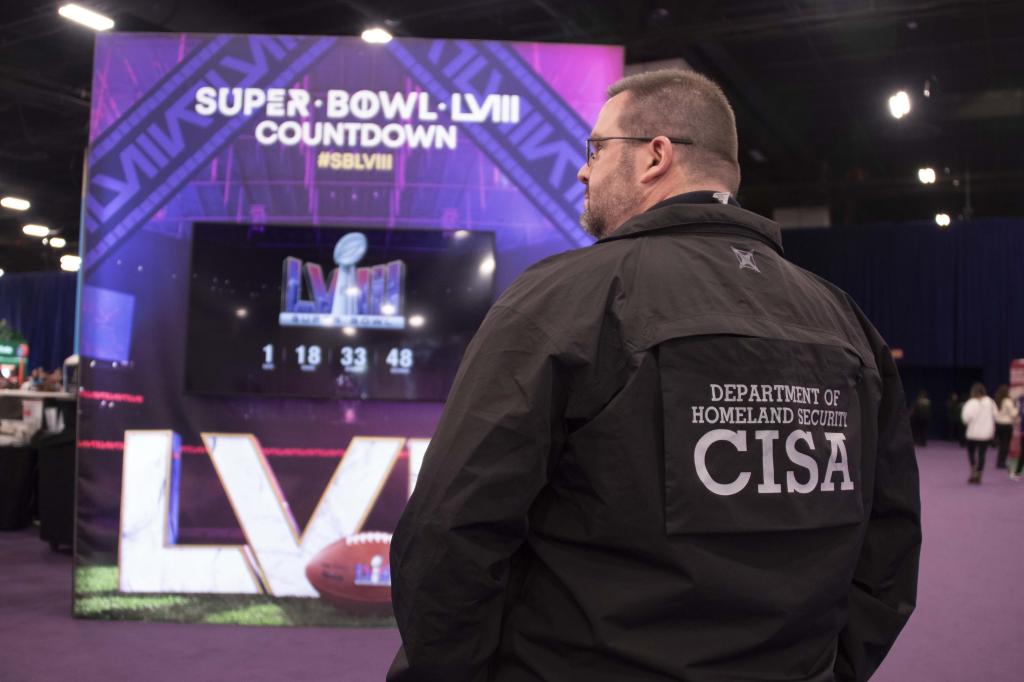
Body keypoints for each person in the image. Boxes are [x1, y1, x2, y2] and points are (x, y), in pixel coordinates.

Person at [388, 69, 921, 682]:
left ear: (655, 155)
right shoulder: (846, 321)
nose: (583, 171)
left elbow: (450, 531)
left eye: (595, 150)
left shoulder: (563, 300)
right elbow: (889, 546)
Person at [961, 382, 998, 483]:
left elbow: (965, 419)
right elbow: (996, 415)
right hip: (986, 434)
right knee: (982, 454)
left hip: (972, 433)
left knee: (971, 453)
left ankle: (973, 471)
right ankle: (979, 473)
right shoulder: (990, 402)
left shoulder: (970, 403)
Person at [993, 384, 1019, 470]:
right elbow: (1013, 414)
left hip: (999, 425)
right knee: (1006, 444)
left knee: (1001, 444)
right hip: (1006, 425)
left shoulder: (997, 400)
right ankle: (1002, 462)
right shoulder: (1008, 401)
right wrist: (1018, 407)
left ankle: (999, 461)